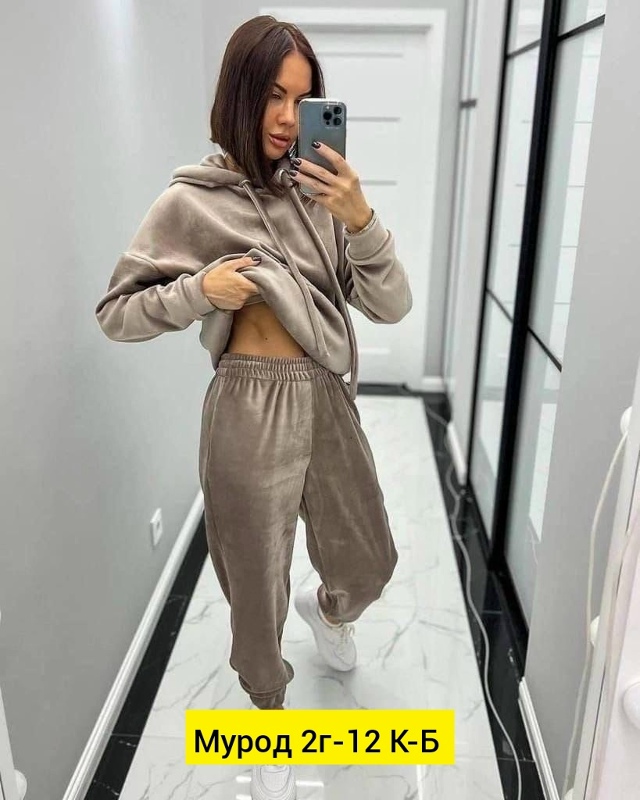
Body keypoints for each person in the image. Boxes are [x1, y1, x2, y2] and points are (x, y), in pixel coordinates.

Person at [95, 14, 412, 800]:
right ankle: (268, 721)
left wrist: (361, 219)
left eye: (302, 99)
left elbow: (392, 306)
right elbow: (117, 312)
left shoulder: (323, 196)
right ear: (240, 92)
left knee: (369, 558)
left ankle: (328, 611)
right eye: (273, 94)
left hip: (326, 397)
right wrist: (200, 290)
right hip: (246, 403)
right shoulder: (190, 200)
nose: (286, 117)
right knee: (254, 591)